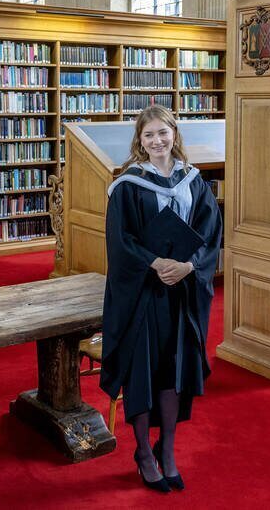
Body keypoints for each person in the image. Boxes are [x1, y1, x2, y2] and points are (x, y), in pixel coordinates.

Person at [100, 105, 222, 493]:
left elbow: (210, 232)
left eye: (163, 133)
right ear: (140, 140)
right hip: (143, 295)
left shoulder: (193, 181)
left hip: (181, 293)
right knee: (143, 374)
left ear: (174, 134)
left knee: (173, 372)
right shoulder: (129, 184)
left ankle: (167, 449)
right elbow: (120, 242)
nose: (157, 141)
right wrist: (155, 263)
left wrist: (189, 266)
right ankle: (143, 453)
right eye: (149, 135)